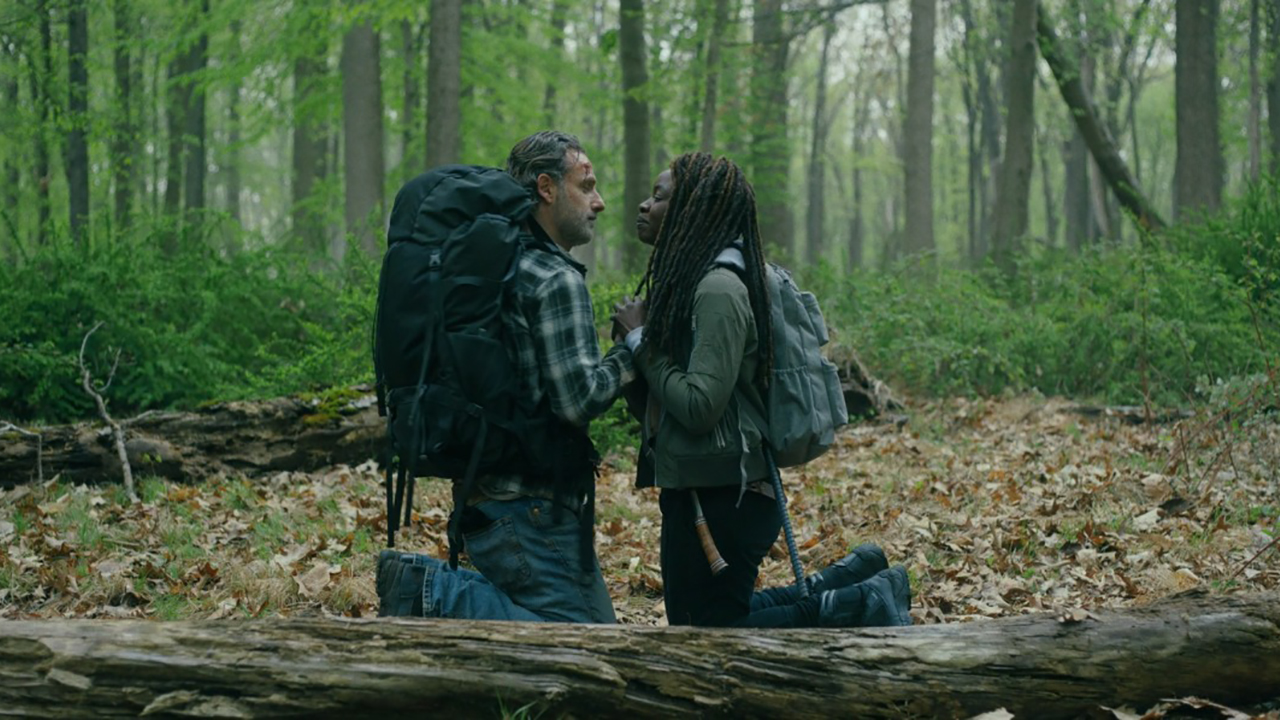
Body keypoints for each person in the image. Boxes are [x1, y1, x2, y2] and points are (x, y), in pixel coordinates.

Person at [613, 152, 912, 628]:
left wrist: (640, 341)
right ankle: (850, 581)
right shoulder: (694, 283)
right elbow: (668, 410)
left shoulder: (717, 289)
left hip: (726, 497)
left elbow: (698, 407)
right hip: (709, 485)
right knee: (708, 620)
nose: (645, 206)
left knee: (705, 634)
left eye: (660, 196)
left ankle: (864, 603)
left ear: (692, 209)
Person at [376, 131, 640, 623]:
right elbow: (579, 399)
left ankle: (436, 593)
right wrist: (634, 348)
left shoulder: (493, 267)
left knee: (556, 641)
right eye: (586, 185)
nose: (599, 202)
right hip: (531, 508)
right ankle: (427, 590)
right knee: (584, 645)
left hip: (488, 498)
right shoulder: (554, 277)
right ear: (546, 187)